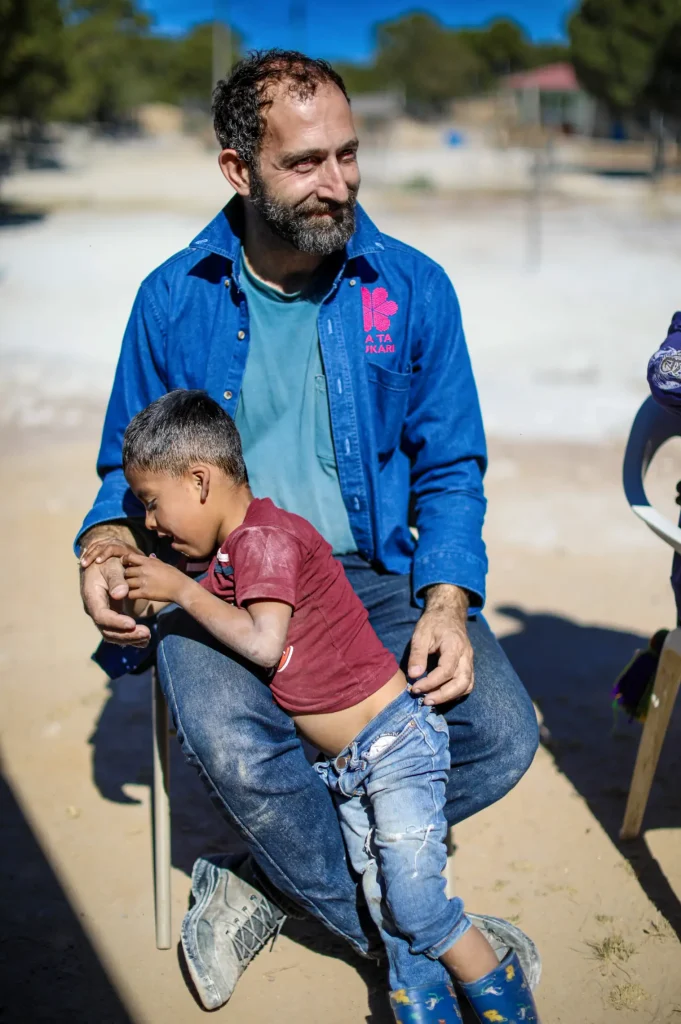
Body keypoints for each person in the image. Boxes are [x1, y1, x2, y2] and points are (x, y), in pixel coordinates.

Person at [77, 49, 540, 1010]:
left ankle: (262, 875)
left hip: (371, 575)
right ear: (238, 170)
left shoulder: (413, 289)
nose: (338, 184)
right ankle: (433, 935)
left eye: (348, 154)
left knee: (496, 733)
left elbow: (451, 469)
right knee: (242, 751)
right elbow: (118, 489)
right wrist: (103, 552)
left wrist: (447, 602)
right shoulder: (173, 298)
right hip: (219, 582)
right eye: (304, 163)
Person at [83, 389, 540, 1023]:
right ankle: (422, 1003)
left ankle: (497, 984)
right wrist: (120, 572)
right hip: (352, 767)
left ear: (199, 479)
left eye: (153, 506)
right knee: (385, 904)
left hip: (393, 749)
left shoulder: (263, 541)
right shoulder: (226, 554)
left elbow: (265, 645)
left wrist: (179, 590)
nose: (151, 524)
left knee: (413, 907)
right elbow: (199, 599)